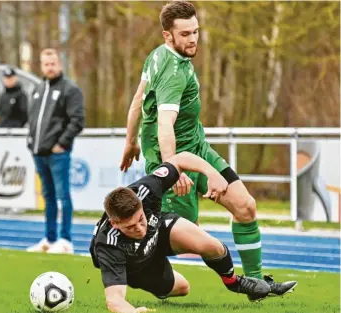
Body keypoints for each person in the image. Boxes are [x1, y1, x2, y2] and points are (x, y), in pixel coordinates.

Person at [120, 1, 297, 301]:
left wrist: (130, 139)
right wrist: (170, 170)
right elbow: (165, 126)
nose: (193, 39)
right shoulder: (173, 73)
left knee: (246, 206)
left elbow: (138, 98)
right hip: (173, 157)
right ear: (168, 36)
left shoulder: (157, 55)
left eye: (196, 32)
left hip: (198, 148)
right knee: (187, 236)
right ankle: (136, 263)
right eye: (185, 33)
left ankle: (255, 285)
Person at [91, 151, 272, 313]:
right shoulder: (108, 245)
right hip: (137, 266)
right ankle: (157, 282)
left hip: (158, 230)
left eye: (140, 219)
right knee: (183, 288)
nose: (139, 228)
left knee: (212, 246)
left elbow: (181, 158)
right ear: (115, 224)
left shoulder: (147, 190)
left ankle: (234, 283)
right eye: (130, 227)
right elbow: (114, 300)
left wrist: (212, 174)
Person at [26, 48, 85, 254]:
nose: (49, 67)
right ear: (41, 65)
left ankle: (65, 239)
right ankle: (49, 239)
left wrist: (61, 143)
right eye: (45, 64)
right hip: (38, 153)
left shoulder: (70, 89)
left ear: (59, 64)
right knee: (48, 196)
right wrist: (31, 141)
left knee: (63, 195)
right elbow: (32, 119)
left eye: (53, 63)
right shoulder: (38, 89)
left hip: (58, 153)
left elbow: (77, 121)